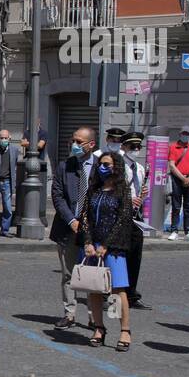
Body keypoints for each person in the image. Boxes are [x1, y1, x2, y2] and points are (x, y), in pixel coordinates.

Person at [76, 149, 136, 352]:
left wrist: (106, 245)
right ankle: (99, 328)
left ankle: (125, 330)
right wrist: (88, 241)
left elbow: (123, 220)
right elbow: (85, 217)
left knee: (118, 290)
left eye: (107, 164)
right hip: (93, 247)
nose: (103, 167)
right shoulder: (93, 190)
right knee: (94, 288)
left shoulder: (122, 191)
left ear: (116, 167)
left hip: (114, 247)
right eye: (101, 164)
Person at [50, 126, 97, 330]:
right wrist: (72, 220)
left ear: (91, 144)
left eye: (80, 142)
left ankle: (94, 317)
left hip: (92, 228)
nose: (75, 145)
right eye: (73, 141)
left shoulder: (100, 167)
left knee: (91, 274)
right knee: (68, 273)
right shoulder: (65, 166)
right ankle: (69, 314)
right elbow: (57, 195)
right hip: (68, 226)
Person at [119, 131, 150, 309]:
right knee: (118, 255)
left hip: (135, 215)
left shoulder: (139, 168)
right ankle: (114, 293)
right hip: (120, 213)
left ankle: (131, 293)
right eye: (132, 147)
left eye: (138, 147)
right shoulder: (117, 165)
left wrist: (142, 196)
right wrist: (128, 200)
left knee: (135, 254)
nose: (136, 150)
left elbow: (139, 192)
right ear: (124, 147)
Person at [166, 125, 189, 239]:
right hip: (177, 179)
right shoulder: (173, 147)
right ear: (180, 134)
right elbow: (172, 165)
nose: (185, 136)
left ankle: (188, 231)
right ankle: (174, 230)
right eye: (183, 133)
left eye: (187, 134)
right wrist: (183, 178)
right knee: (176, 206)